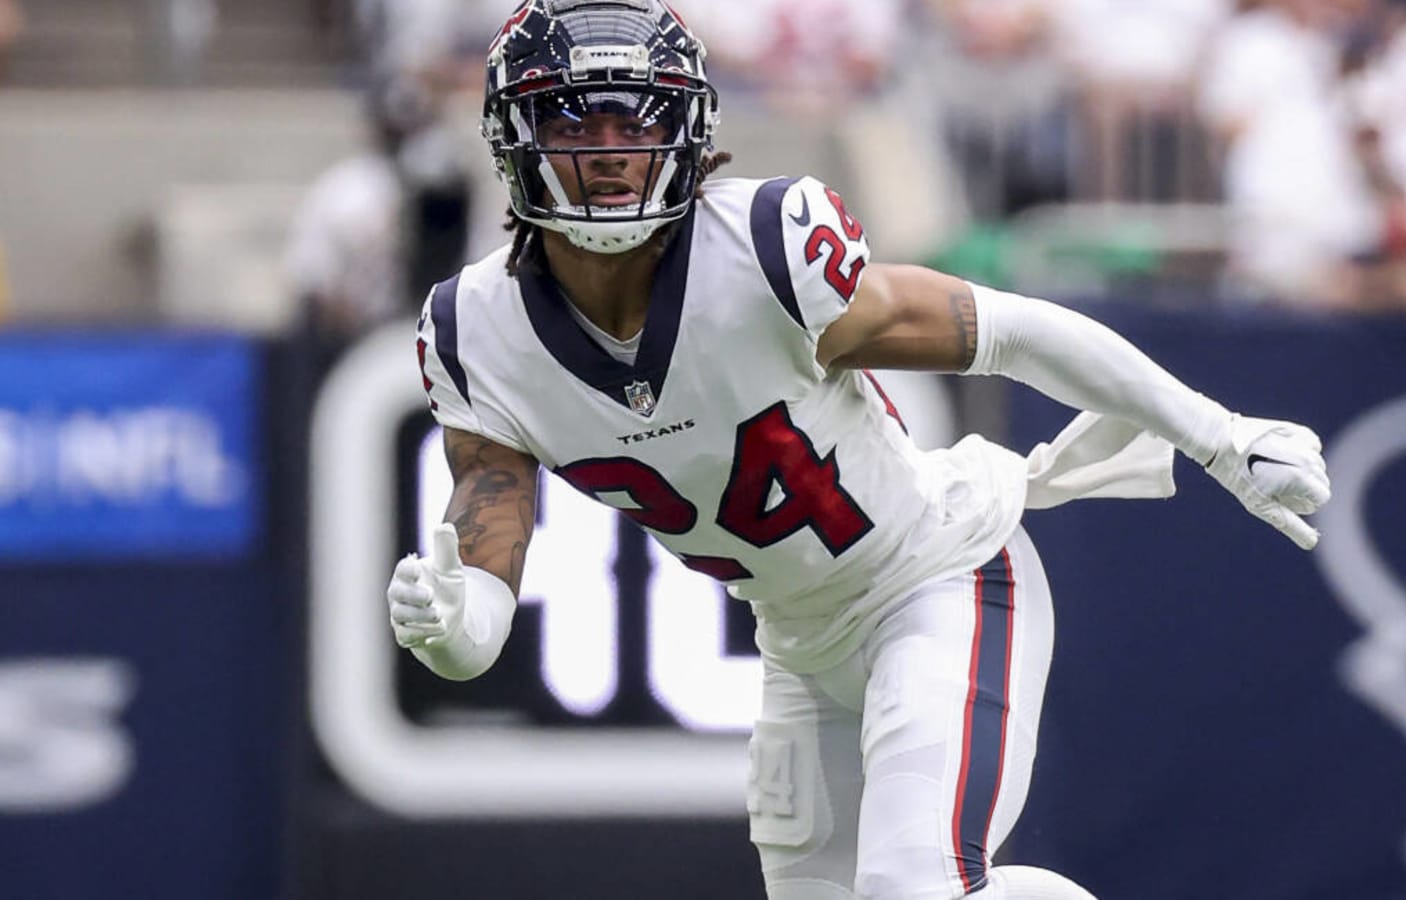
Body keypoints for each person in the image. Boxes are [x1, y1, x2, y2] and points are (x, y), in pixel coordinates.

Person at [384, 2, 1333, 898]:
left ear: (684, 124)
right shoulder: (476, 334)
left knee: (911, 889)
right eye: (575, 125)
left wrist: (1218, 436)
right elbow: (489, 542)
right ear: (515, 138)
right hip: (801, 648)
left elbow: (1009, 329)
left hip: (940, 577)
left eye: (636, 121)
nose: (610, 152)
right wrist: (457, 627)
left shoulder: (761, 248)